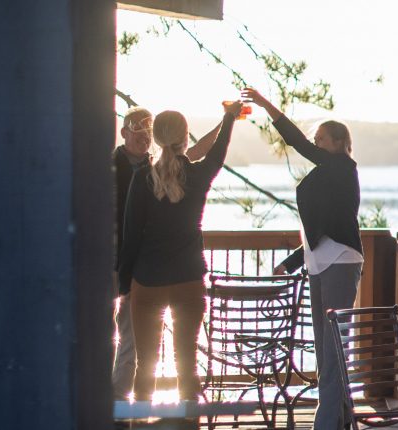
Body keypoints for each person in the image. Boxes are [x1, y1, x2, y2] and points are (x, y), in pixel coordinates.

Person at [246, 88, 365, 429]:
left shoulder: (342, 166)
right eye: (317, 139)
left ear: (340, 142)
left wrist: (266, 105)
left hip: (341, 262)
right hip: (319, 263)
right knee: (327, 349)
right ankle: (341, 419)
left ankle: (325, 423)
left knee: (333, 351)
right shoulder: (331, 172)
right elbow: (323, 225)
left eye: (322, 139)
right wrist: (294, 261)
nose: (316, 144)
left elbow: (297, 142)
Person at [118, 101, 240, 407]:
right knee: (186, 365)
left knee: (144, 367)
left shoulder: (143, 177)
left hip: (147, 281)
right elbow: (218, 152)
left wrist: (124, 285)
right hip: (188, 279)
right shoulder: (198, 176)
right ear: (185, 139)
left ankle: (139, 423)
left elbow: (130, 235)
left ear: (156, 138)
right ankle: (189, 422)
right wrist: (229, 118)